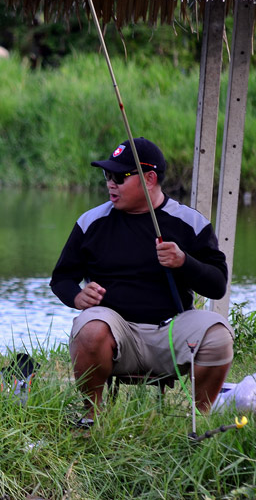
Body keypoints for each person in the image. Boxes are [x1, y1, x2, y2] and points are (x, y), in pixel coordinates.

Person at [50, 138, 234, 425]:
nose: (110, 183)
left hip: (170, 329)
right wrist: (77, 297)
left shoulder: (189, 222)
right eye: (106, 175)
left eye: (119, 177)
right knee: (90, 328)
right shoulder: (91, 222)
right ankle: (91, 418)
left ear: (149, 179)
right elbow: (61, 278)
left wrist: (184, 262)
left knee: (219, 335)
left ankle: (200, 419)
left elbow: (217, 286)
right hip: (115, 331)